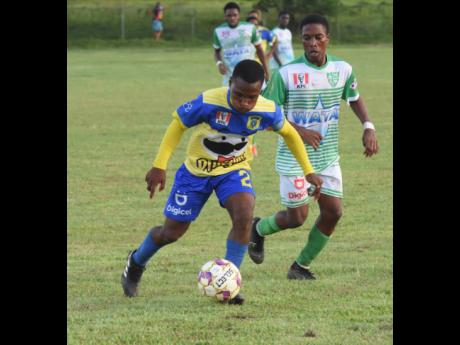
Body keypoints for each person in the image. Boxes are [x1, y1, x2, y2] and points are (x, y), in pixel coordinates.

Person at [120, 60, 323, 305]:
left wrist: (308, 171)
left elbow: (290, 133)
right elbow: (178, 125)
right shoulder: (209, 101)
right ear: (230, 84)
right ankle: (136, 261)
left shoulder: (267, 109)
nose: (245, 103)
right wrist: (159, 165)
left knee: (244, 214)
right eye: (239, 96)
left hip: (233, 170)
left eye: (252, 97)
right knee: (171, 232)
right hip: (196, 173)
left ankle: (229, 284)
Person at [248, 14, 379, 280]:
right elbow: (266, 115)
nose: (313, 43)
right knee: (297, 218)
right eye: (307, 38)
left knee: (333, 212)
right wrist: (300, 132)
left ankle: (300, 266)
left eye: (318, 37)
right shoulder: (286, 74)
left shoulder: (342, 69)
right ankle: (258, 228)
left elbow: (353, 97)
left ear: (327, 39)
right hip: (294, 158)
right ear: (301, 41)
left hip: (327, 156)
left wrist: (368, 125)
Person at [213, 2, 270, 87]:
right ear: (225, 16)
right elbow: (216, 51)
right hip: (230, 76)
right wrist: (219, 63)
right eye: (229, 15)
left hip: (251, 73)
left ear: (239, 15)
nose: (232, 18)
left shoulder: (250, 28)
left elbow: (259, 49)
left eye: (235, 15)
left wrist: (266, 70)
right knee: (229, 99)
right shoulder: (219, 31)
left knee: (257, 98)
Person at [246, 13, 277, 157]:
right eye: (250, 21)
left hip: (261, 70)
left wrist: (268, 55)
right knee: (249, 108)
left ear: (258, 21)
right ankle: (251, 144)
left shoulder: (265, 31)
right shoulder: (245, 33)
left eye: (255, 20)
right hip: (248, 70)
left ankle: (265, 125)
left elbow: (275, 41)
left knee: (257, 106)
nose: (253, 23)